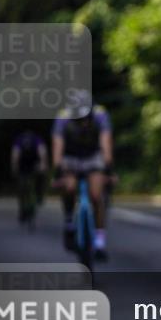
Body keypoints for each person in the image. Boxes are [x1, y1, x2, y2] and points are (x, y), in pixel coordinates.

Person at [52, 90, 113, 259]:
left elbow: (106, 142)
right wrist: (58, 170)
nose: (84, 123)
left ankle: (100, 242)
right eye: (79, 119)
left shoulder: (100, 114)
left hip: (93, 155)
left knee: (96, 196)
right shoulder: (63, 117)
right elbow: (58, 145)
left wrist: (108, 168)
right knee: (69, 187)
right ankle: (69, 221)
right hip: (71, 156)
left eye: (86, 118)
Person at [11, 129, 49, 226]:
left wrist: (43, 164)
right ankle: (25, 206)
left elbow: (42, 152)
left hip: (32, 165)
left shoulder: (28, 139)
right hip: (24, 165)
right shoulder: (32, 139)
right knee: (22, 186)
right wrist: (15, 166)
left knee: (37, 179)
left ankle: (39, 195)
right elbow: (16, 154)